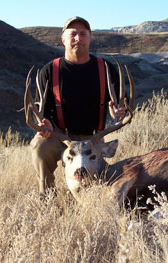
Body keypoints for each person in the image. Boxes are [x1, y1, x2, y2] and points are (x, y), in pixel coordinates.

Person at [30, 16, 126, 196]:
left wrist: (119, 110)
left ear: (90, 38)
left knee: (107, 182)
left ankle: (98, 198)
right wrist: (45, 123)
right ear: (63, 39)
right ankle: (47, 198)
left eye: (83, 34)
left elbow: (123, 102)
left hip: (93, 138)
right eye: (73, 34)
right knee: (40, 147)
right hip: (61, 138)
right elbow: (41, 109)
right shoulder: (50, 71)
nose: (78, 38)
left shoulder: (105, 68)